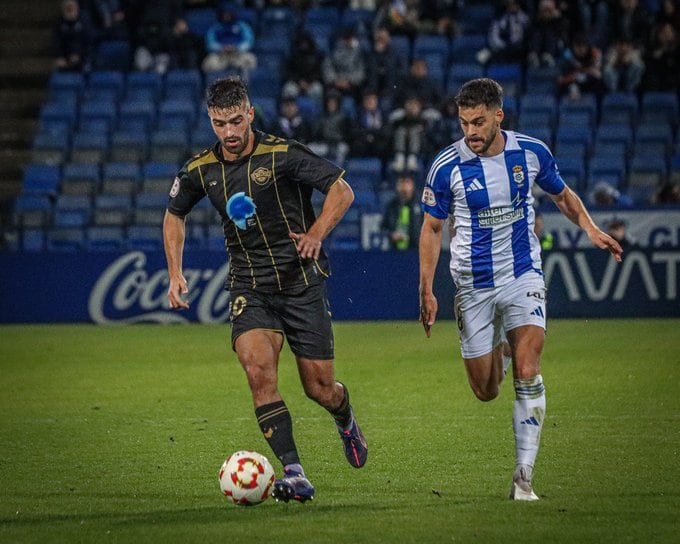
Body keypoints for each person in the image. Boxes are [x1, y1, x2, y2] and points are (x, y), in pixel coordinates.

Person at [163, 76, 368, 503]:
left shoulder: (283, 155)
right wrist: (174, 272)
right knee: (259, 373)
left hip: (301, 283)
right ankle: (294, 472)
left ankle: (344, 415)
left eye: (237, 121)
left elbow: (342, 190)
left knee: (319, 387)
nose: (230, 133)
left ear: (251, 114)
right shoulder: (202, 168)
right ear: (211, 121)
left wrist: (315, 232)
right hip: (249, 286)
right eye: (220, 124)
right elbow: (174, 213)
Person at [418, 78, 623, 501]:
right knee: (486, 391)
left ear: (498, 115)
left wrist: (592, 229)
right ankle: (503, 350)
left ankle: (523, 477)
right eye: (463, 123)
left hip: (522, 274)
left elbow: (562, 196)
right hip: (472, 287)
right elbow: (432, 227)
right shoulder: (446, 166)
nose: (471, 132)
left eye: (478, 122)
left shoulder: (530, 152)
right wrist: (426, 289)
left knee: (529, 370)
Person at [201, 4, 257, 76]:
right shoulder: (216, 27)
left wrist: (236, 47)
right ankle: (216, 86)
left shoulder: (242, 26)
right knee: (208, 63)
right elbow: (210, 43)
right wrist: (221, 47)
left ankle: (245, 85)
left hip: (238, 54)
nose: (227, 16)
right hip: (220, 55)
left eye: (229, 13)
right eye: (225, 14)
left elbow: (249, 42)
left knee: (251, 59)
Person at [381, 173, 423, 250]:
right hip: (395, 251)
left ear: (412, 185)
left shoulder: (421, 204)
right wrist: (391, 234)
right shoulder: (391, 206)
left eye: (407, 182)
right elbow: (383, 227)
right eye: (400, 183)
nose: (404, 187)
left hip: (417, 250)